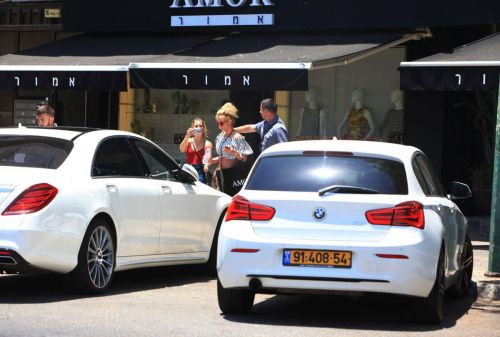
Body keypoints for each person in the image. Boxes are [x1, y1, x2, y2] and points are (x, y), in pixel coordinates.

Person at [207, 102, 253, 196]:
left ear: (230, 121)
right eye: (217, 123)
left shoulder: (237, 137)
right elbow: (222, 157)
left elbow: (245, 158)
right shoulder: (219, 137)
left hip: (233, 175)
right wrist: (211, 161)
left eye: (221, 123)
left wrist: (234, 152)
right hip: (220, 174)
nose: (219, 126)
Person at [179, 118, 213, 184]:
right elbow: (182, 149)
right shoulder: (189, 141)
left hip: (200, 171)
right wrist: (187, 136)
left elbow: (208, 160)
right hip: (188, 169)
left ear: (203, 129)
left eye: (200, 126)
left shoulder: (207, 143)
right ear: (192, 128)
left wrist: (207, 166)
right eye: (196, 126)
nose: (198, 128)